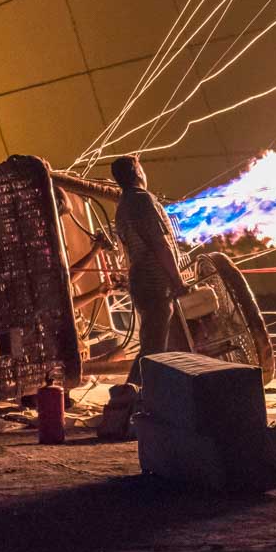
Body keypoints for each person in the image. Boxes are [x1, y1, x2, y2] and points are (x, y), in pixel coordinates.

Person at [111, 155, 187, 386]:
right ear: (137, 171)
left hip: (141, 281)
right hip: (154, 282)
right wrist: (177, 279)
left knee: (160, 343)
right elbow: (159, 243)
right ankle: (130, 398)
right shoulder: (143, 201)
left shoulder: (123, 206)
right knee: (153, 348)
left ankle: (158, 393)